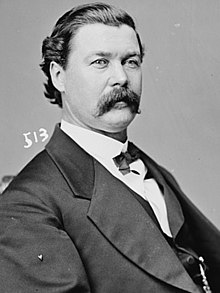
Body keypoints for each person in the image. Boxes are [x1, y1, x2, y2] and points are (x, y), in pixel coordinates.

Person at [0, 3, 219, 292]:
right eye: (101, 62)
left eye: (131, 61)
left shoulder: (154, 172)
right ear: (58, 76)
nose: (122, 77)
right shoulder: (26, 206)